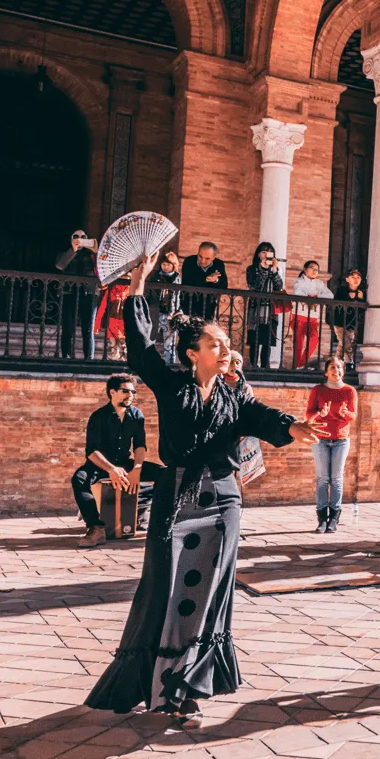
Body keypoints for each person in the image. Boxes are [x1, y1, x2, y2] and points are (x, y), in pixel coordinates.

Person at [85, 251, 324, 725]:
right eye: (215, 343)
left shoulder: (235, 393)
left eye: (226, 343)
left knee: (210, 592)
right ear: (193, 353)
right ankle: (158, 683)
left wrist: (292, 426)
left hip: (223, 501)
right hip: (177, 498)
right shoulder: (171, 385)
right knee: (167, 588)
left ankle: (187, 688)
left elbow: (259, 416)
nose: (225, 349)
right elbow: (141, 350)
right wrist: (139, 286)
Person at [72, 373, 155, 548]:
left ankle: (148, 513)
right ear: (112, 392)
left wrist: (137, 468)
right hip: (100, 465)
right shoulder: (98, 416)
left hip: (125, 463)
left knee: (166, 474)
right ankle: (96, 528)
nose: (130, 395)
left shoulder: (137, 415)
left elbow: (140, 446)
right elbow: (91, 452)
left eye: (133, 392)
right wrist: (111, 469)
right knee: (79, 479)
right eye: (126, 391)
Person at [306, 357, 356, 533]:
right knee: (322, 479)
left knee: (336, 478)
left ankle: (334, 518)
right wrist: (321, 413)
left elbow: (353, 416)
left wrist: (345, 413)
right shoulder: (318, 390)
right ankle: (322, 519)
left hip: (341, 440)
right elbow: (309, 414)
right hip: (320, 439)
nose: (336, 370)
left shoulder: (349, 391)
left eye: (339, 367)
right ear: (326, 372)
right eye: (333, 367)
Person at [55, 229, 97, 360]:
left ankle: (88, 359)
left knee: (88, 329)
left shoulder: (91, 255)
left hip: (88, 293)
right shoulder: (65, 253)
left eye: (83, 236)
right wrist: (73, 250)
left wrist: (96, 252)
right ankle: (66, 357)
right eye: (76, 236)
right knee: (68, 328)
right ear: (71, 239)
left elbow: (101, 268)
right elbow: (60, 265)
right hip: (69, 292)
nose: (80, 238)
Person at [244, 242, 283, 370]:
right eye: (263, 252)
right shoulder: (252, 269)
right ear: (258, 254)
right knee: (254, 340)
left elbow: (279, 286)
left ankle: (265, 366)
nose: (266, 255)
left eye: (269, 252)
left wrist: (274, 271)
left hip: (270, 309)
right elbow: (254, 286)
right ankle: (253, 365)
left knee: (267, 340)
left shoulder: (276, 270)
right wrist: (263, 269)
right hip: (256, 308)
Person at [290, 260, 333, 369]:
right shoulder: (299, 281)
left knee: (314, 339)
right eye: (312, 268)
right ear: (305, 269)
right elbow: (298, 293)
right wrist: (310, 299)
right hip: (299, 316)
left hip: (313, 318)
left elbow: (330, 295)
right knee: (298, 344)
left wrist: (316, 298)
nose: (314, 271)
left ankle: (301, 365)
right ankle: (296, 367)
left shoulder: (319, 283)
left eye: (316, 270)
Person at [180, 241, 227, 321]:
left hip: (208, 306)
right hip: (188, 304)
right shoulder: (189, 261)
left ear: (213, 257)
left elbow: (224, 285)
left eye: (207, 258)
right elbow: (187, 280)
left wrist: (216, 280)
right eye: (200, 256)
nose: (202, 261)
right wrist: (206, 279)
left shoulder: (219, 264)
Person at [332, 268, 365, 368]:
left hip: (351, 324)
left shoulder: (361, 293)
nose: (356, 279)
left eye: (358, 277)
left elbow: (361, 310)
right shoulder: (342, 290)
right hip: (339, 323)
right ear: (347, 279)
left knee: (342, 346)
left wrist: (361, 299)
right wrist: (348, 297)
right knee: (347, 345)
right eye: (353, 277)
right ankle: (349, 363)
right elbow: (336, 305)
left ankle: (335, 364)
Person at [154, 251, 182, 363]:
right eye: (163, 264)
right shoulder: (156, 276)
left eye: (168, 265)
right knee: (151, 338)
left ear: (173, 265)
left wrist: (176, 311)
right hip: (156, 311)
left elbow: (179, 297)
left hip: (170, 313)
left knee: (169, 342)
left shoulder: (177, 279)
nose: (165, 267)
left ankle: (169, 364)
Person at [94, 280, 130, 361]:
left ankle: (121, 364)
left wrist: (97, 325)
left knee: (122, 349)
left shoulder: (128, 291)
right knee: (116, 348)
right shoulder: (113, 290)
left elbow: (102, 308)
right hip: (115, 325)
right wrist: (97, 325)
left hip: (122, 325)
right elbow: (102, 307)